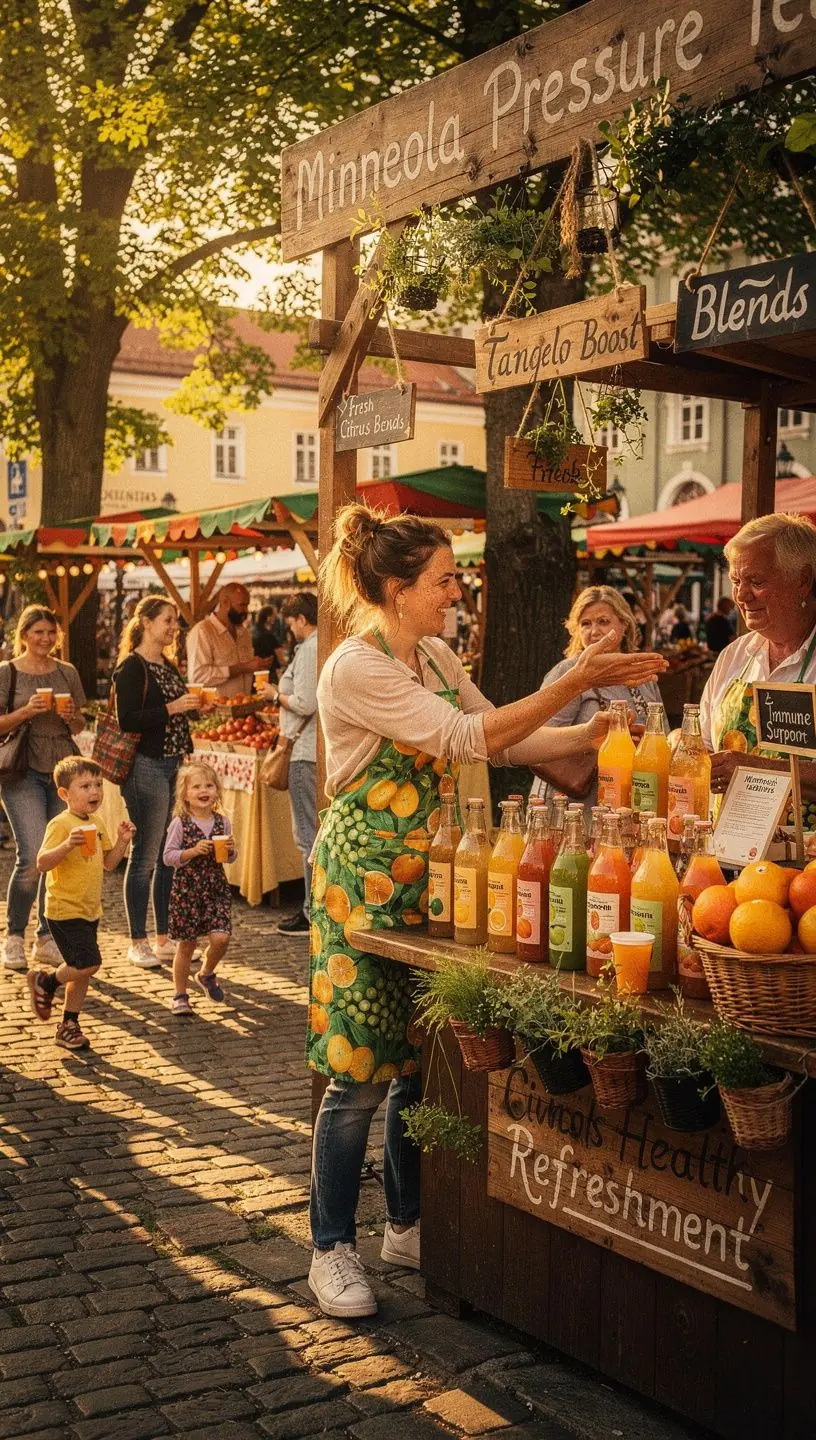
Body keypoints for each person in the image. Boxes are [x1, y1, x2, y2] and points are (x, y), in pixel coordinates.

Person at [307, 505, 665, 1320]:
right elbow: (464, 737)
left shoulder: (432, 653)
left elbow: (505, 742)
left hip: (433, 870)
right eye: (443, 580)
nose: (456, 592)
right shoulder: (356, 668)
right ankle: (330, 1246)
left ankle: (404, 1224)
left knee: (412, 1065)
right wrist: (572, 683)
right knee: (356, 1073)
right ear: (398, 590)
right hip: (361, 878)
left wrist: (593, 732)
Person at [701, 514, 816, 801]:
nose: (741, 595)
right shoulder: (736, 656)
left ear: (803, 580)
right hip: (727, 841)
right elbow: (702, 743)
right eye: (735, 580)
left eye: (756, 580)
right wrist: (677, 743)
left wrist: (756, 769)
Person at [529, 585, 666, 822]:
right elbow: (539, 740)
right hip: (572, 804)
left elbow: (663, 732)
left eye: (603, 621)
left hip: (629, 801)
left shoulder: (641, 676)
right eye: (585, 623)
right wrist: (602, 741)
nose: (594, 631)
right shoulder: (568, 672)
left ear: (624, 625)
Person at [114, 595, 199, 969]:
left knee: (167, 856)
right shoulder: (132, 667)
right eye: (167, 620)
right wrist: (173, 708)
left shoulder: (166, 664)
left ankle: (164, 937)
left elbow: (173, 712)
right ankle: (138, 940)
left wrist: (191, 709)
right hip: (145, 767)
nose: (173, 627)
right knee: (146, 855)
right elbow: (127, 718)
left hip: (172, 764)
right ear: (146, 623)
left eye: (175, 621)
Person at [0, 606, 86, 973]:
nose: (45, 639)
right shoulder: (8, 673)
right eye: (38, 632)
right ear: (24, 635)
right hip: (21, 771)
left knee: (58, 855)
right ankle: (14, 936)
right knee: (33, 853)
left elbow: (81, 722)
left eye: (51, 633)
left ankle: (46, 937)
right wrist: (25, 712)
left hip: (61, 773)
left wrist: (72, 717)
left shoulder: (67, 672)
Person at [27, 757, 135, 1050]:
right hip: (64, 909)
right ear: (64, 794)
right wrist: (67, 845)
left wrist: (123, 841)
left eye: (97, 785)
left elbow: (109, 864)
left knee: (81, 968)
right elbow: (41, 862)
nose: (94, 791)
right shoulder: (60, 824)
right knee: (88, 963)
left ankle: (69, 1025)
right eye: (85, 785)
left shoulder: (97, 822)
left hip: (90, 909)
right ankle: (46, 982)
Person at [163, 761, 237, 1017]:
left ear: (217, 790)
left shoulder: (222, 822)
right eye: (196, 786)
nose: (203, 790)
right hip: (188, 890)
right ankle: (180, 995)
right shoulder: (180, 823)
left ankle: (206, 973)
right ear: (185, 794)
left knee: (221, 937)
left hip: (215, 888)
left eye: (209, 785)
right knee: (187, 945)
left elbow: (230, 858)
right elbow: (168, 857)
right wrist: (192, 852)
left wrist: (229, 851)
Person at [263, 593, 318, 936]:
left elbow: (305, 702)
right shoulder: (315, 647)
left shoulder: (310, 648)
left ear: (301, 619)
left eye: (292, 622)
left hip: (303, 750)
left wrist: (275, 695)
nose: (291, 630)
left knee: (307, 834)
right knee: (309, 831)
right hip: (308, 748)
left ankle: (311, 910)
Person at [186, 584, 269, 699]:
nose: (246, 610)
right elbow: (198, 677)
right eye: (242, 605)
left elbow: (247, 669)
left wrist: (258, 666)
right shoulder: (202, 631)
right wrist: (243, 668)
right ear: (225, 602)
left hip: (246, 708)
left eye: (247, 605)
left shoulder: (244, 633)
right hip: (217, 713)